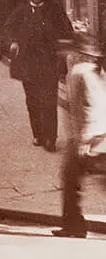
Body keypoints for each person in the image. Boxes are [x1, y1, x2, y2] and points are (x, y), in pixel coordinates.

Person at [4, 0, 74, 152]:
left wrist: (61, 50)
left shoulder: (54, 10)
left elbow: (67, 32)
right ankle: (38, 134)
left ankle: (51, 138)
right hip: (27, 64)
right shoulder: (21, 12)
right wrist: (13, 42)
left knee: (49, 100)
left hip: (48, 63)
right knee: (32, 100)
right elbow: (8, 30)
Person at [55, 32, 106, 238]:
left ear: (77, 53)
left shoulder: (79, 72)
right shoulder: (93, 72)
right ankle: (73, 225)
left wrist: (84, 139)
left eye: (67, 50)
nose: (64, 54)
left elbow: (90, 106)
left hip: (88, 138)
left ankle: (74, 226)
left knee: (70, 181)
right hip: (96, 136)